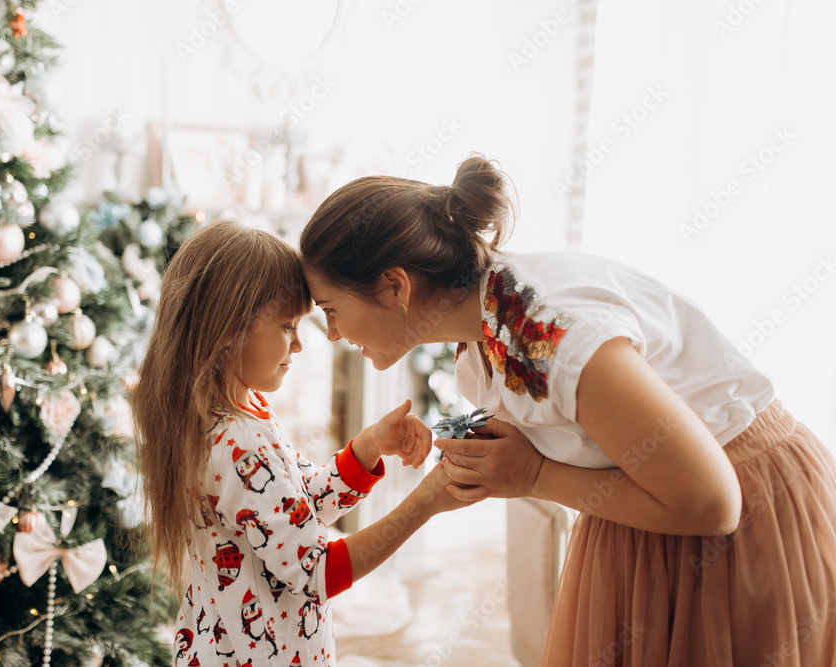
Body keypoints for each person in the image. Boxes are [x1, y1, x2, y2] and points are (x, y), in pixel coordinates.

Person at [299, 155, 836, 666]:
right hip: (645, 514)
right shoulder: (482, 334)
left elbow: (713, 503)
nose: (333, 333)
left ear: (395, 286)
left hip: (738, 521)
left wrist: (532, 475)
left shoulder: (557, 336)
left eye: (330, 309)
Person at [132, 220, 465, 667]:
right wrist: (426, 501)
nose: (299, 345)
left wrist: (367, 446)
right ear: (230, 330)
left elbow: (292, 508)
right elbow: (314, 571)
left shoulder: (235, 415)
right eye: (288, 327)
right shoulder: (238, 442)